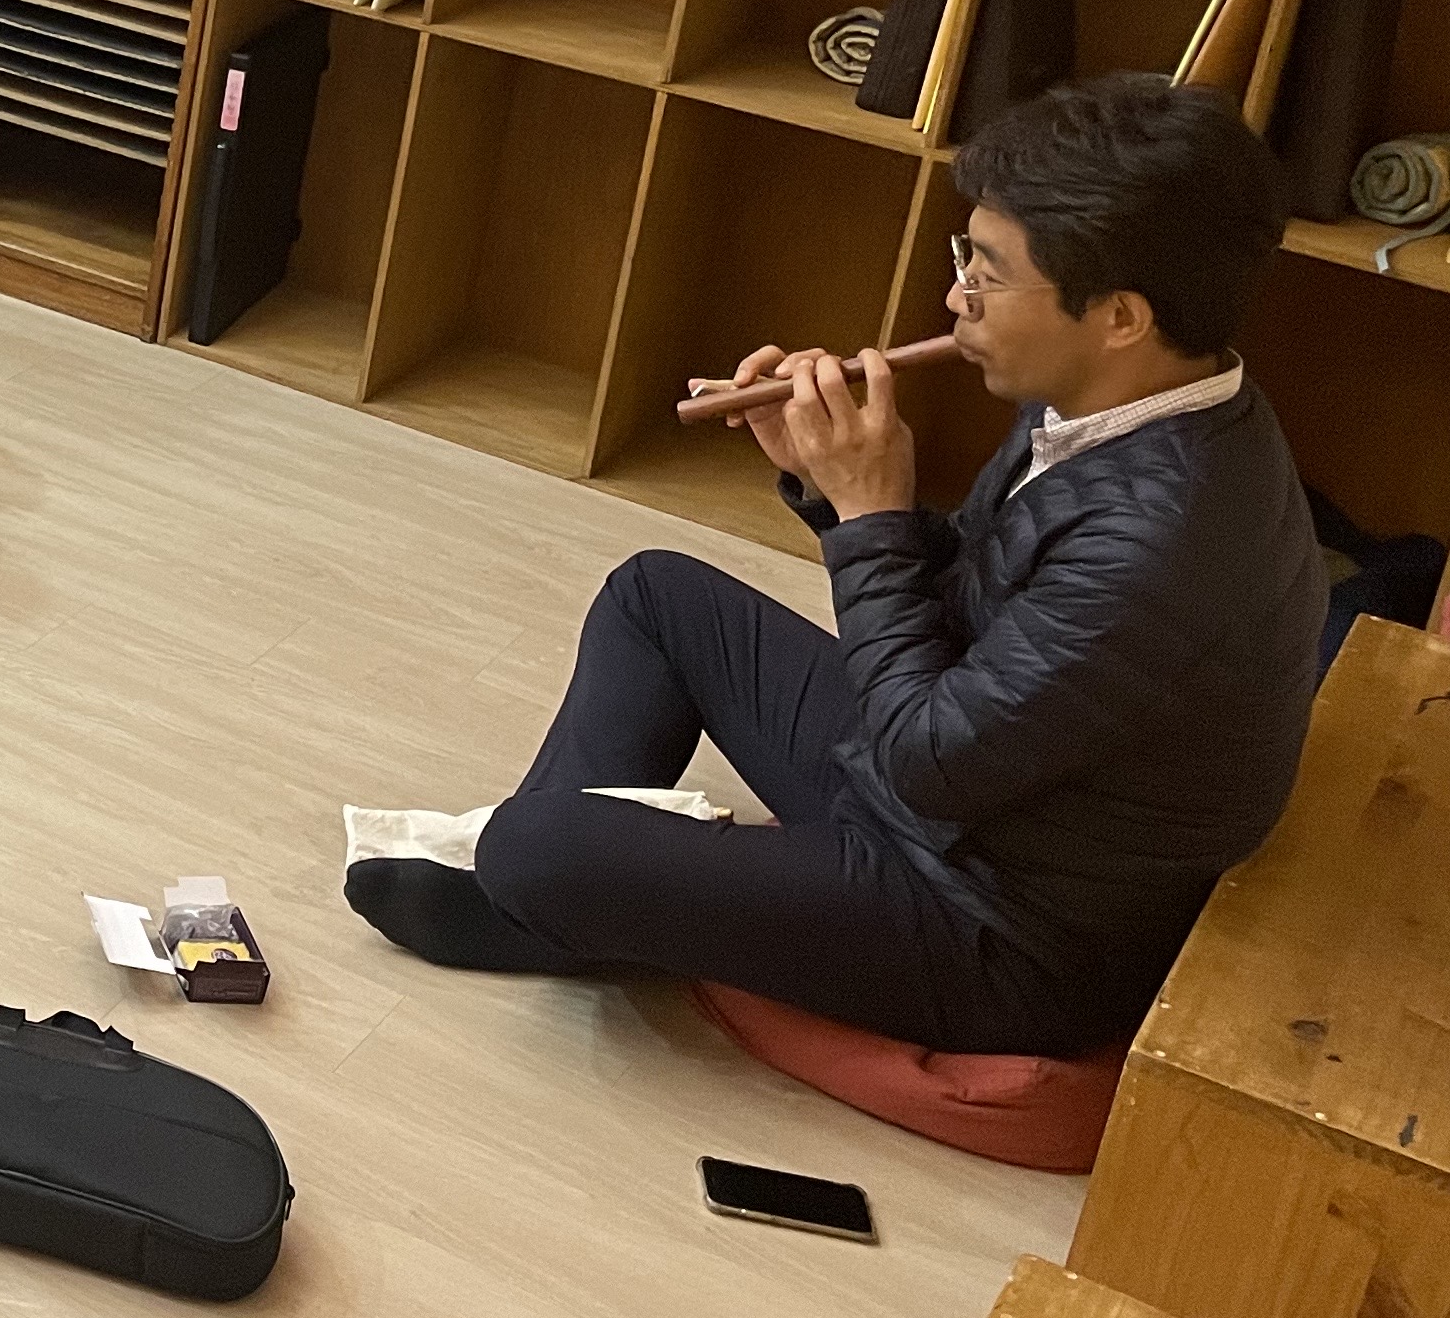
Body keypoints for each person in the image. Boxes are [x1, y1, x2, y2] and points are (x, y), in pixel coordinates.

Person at [345, 74, 1325, 1057]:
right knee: (655, 596)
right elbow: (972, 604)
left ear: (1119, 316)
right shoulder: (1119, 399)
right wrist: (826, 484)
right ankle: (554, 907)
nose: (956, 298)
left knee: (535, 846)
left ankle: (550, 893)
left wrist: (869, 513)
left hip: (999, 927)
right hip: (970, 790)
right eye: (965, 259)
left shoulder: (1165, 540)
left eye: (987, 275)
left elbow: (925, 767)